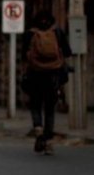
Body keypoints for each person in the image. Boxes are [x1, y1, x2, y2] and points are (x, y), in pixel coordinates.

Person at [21, 10, 71, 155]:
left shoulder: (30, 34)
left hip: (34, 75)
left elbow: (24, 55)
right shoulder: (57, 33)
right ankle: (48, 141)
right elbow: (67, 52)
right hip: (53, 76)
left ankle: (38, 128)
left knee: (35, 104)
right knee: (50, 108)